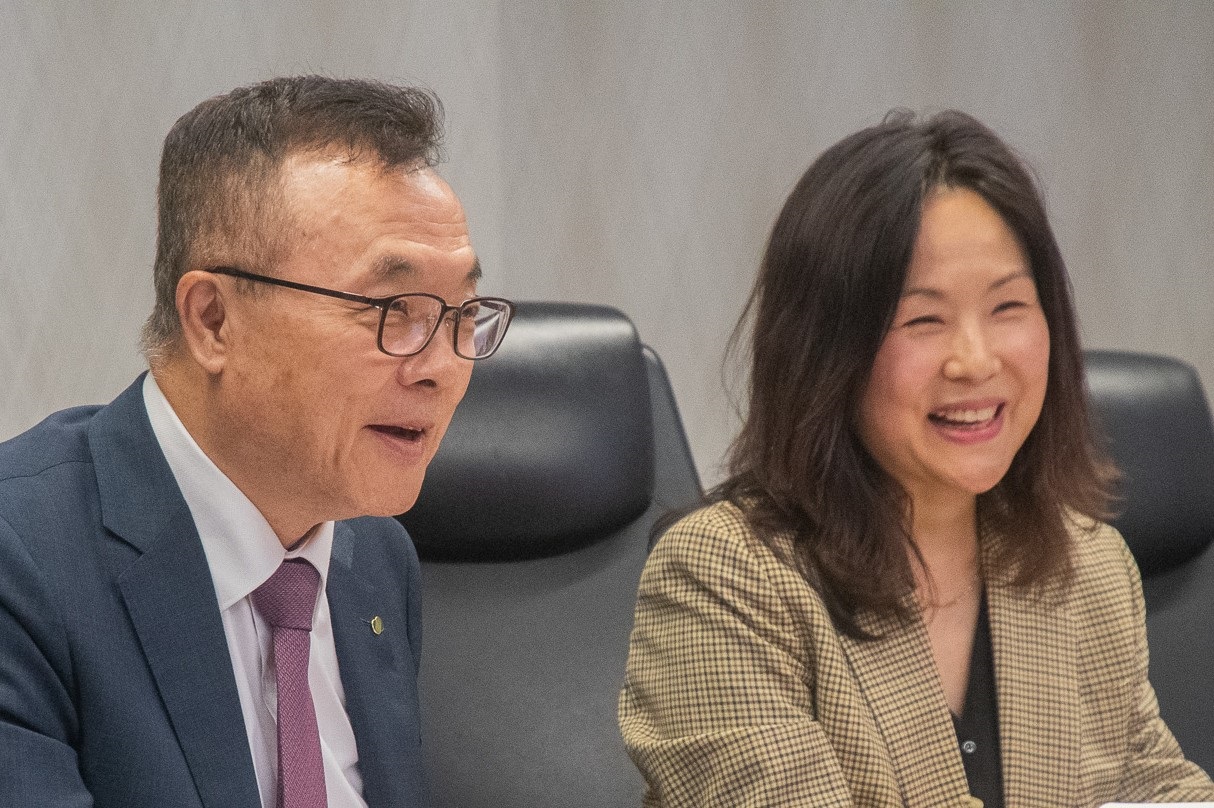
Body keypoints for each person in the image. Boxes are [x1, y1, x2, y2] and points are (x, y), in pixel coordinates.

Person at [618, 110, 1214, 807]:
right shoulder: (724, 578)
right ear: (825, 353)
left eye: (1008, 307)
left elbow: (1157, 787)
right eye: (923, 320)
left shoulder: (1086, 567)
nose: (976, 361)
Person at [0, 76, 513, 807]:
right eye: (393, 309)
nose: (441, 366)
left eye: (461, 313)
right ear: (213, 320)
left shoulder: (373, 555)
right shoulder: (23, 563)